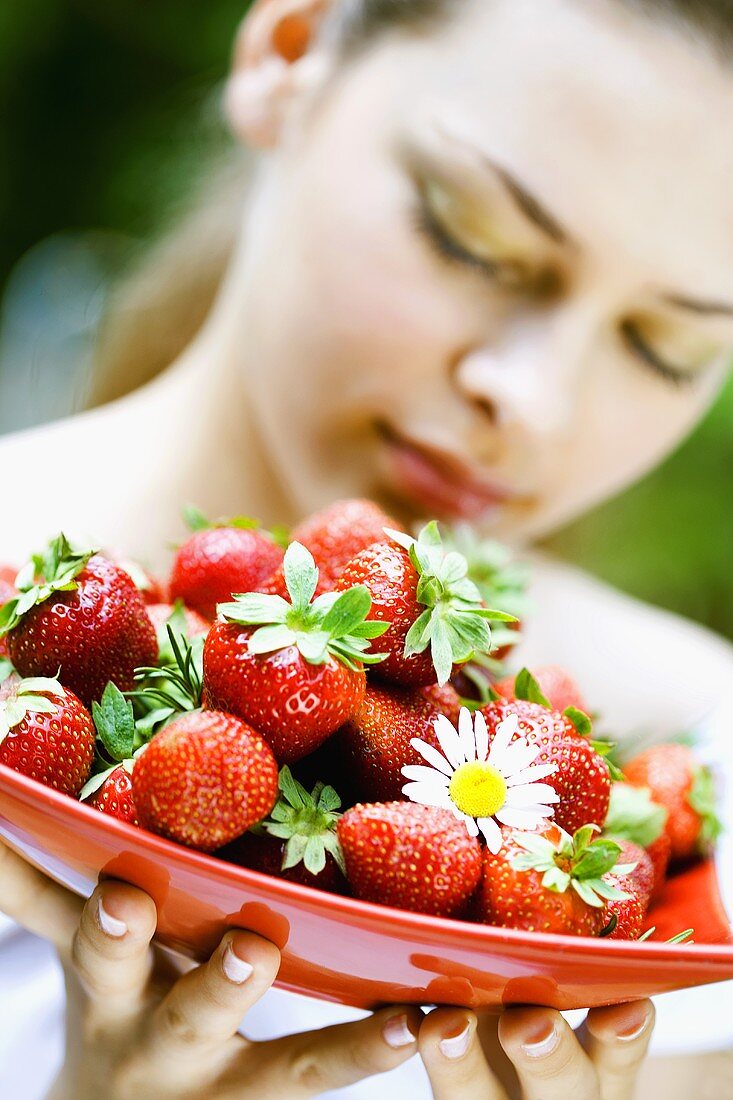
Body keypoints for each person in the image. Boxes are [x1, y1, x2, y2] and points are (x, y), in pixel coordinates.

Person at [1, 0, 733, 1095]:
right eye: (468, 236)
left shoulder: (698, 778)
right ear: (287, 54)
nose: (531, 401)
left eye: (662, 346)